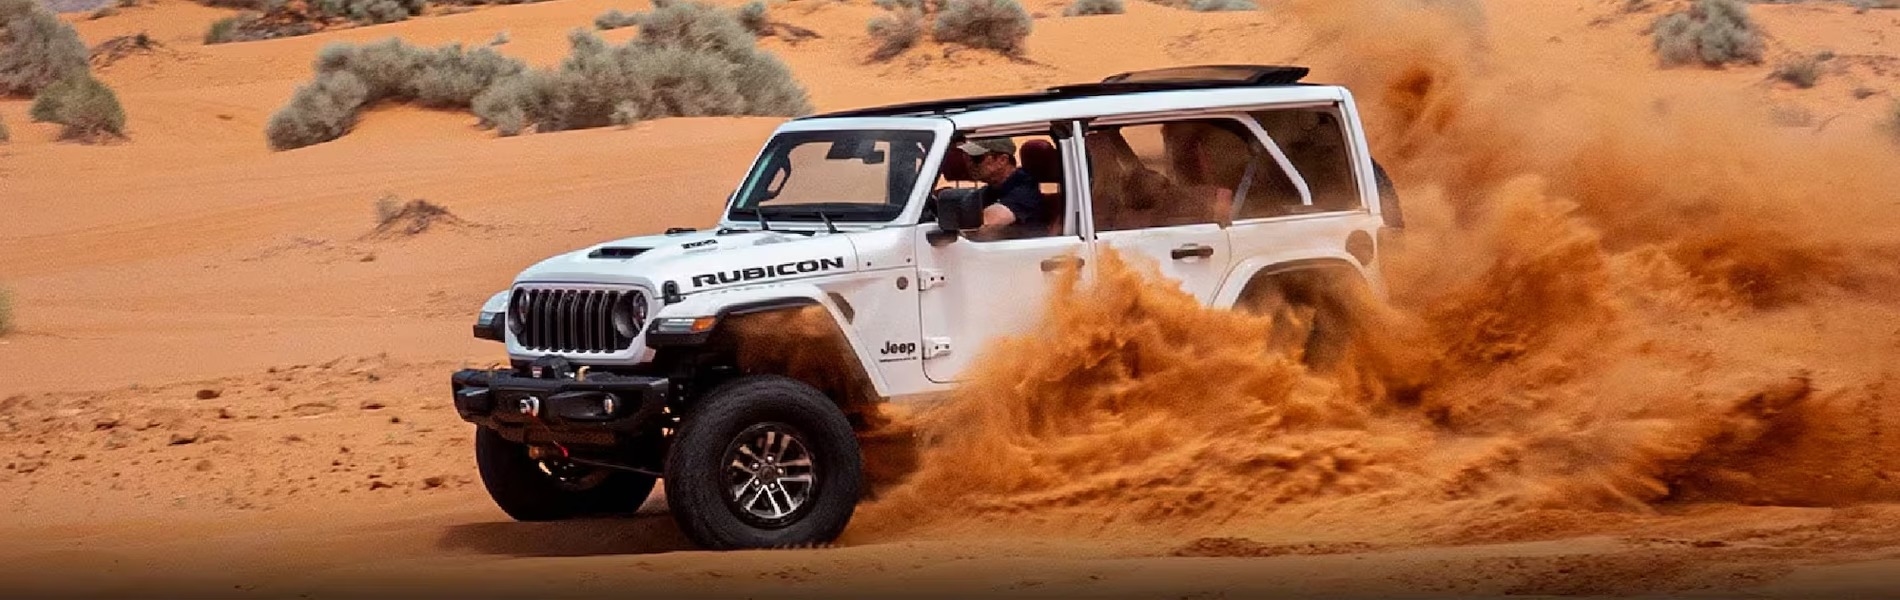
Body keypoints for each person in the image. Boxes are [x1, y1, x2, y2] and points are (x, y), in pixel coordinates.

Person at [959, 137, 1046, 238]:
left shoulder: (1025, 190)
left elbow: (985, 223)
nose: (970, 164)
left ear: (1002, 160)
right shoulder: (992, 189)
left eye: (976, 158)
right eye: (966, 158)